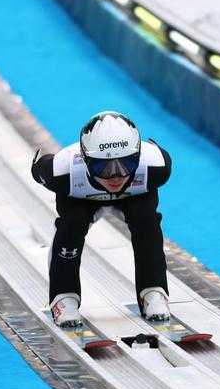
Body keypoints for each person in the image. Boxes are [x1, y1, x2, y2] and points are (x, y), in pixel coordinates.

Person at [31, 111, 172, 327]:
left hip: (134, 198)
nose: (116, 176)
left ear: (138, 157)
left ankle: (153, 291)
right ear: (85, 160)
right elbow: (39, 167)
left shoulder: (157, 168)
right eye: (102, 167)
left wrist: (103, 172)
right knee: (71, 225)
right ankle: (63, 297)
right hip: (80, 201)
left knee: (147, 222)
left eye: (126, 165)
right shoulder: (60, 173)